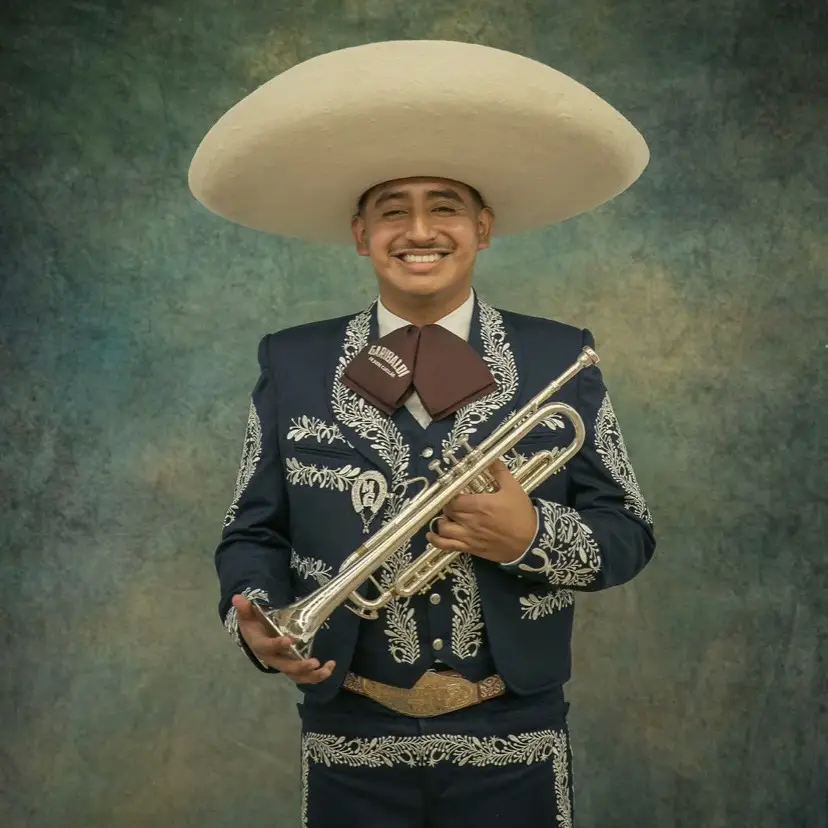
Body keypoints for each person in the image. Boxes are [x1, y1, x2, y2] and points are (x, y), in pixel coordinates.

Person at [189, 40, 656, 828]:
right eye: (391, 210)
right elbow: (249, 532)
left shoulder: (559, 356)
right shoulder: (293, 362)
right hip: (349, 737)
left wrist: (529, 535)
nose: (419, 229)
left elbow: (628, 533)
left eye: (443, 206)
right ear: (359, 234)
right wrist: (260, 613)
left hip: (514, 735)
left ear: (482, 226)